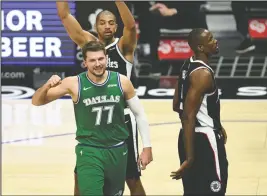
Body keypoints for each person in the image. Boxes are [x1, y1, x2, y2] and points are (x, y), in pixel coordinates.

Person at [32, 41, 152, 195]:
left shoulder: (122, 81)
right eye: (92, 60)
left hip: (118, 150)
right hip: (89, 151)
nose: (97, 64)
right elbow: (36, 101)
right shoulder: (74, 83)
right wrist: (47, 85)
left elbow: (140, 114)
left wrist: (147, 147)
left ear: (107, 59)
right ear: (85, 63)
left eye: (101, 59)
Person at [56, 2, 152, 195]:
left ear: (116, 27)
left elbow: (131, 26)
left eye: (111, 23)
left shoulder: (124, 46)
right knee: (80, 177)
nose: (107, 26)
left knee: (131, 178)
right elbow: (65, 16)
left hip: (121, 119)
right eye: (102, 23)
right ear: (96, 26)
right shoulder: (89, 45)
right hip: (93, 119)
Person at [170, 28, 228, 195]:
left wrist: (216, 123)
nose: (215, 41)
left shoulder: (187, 64)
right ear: (201, 47)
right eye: (210, 39)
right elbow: (188, 115)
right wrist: (190, 157)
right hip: (204, 141)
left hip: (186, 138)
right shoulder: (202, 74)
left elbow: (176, 105)